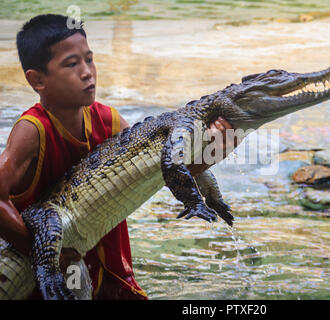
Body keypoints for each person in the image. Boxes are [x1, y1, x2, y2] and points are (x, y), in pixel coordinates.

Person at [0, 14, 236, 299]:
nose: (87, 72)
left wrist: (216, 151)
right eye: (72, 64)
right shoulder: (32, 130)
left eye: (89, 59)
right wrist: (45, 256)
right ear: (37, 80)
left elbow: (162, 171)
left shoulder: (108, 120)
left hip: (108, 265)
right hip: (45, 266)